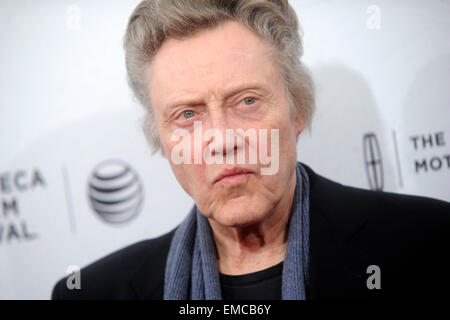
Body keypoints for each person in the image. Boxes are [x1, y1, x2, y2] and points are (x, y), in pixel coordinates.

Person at [52, 0, 450, 300]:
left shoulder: (427, 244)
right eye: (187, 114)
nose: (223, 141)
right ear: (160, 137)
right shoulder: (95, 292)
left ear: (298, 108)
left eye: (246, 102)